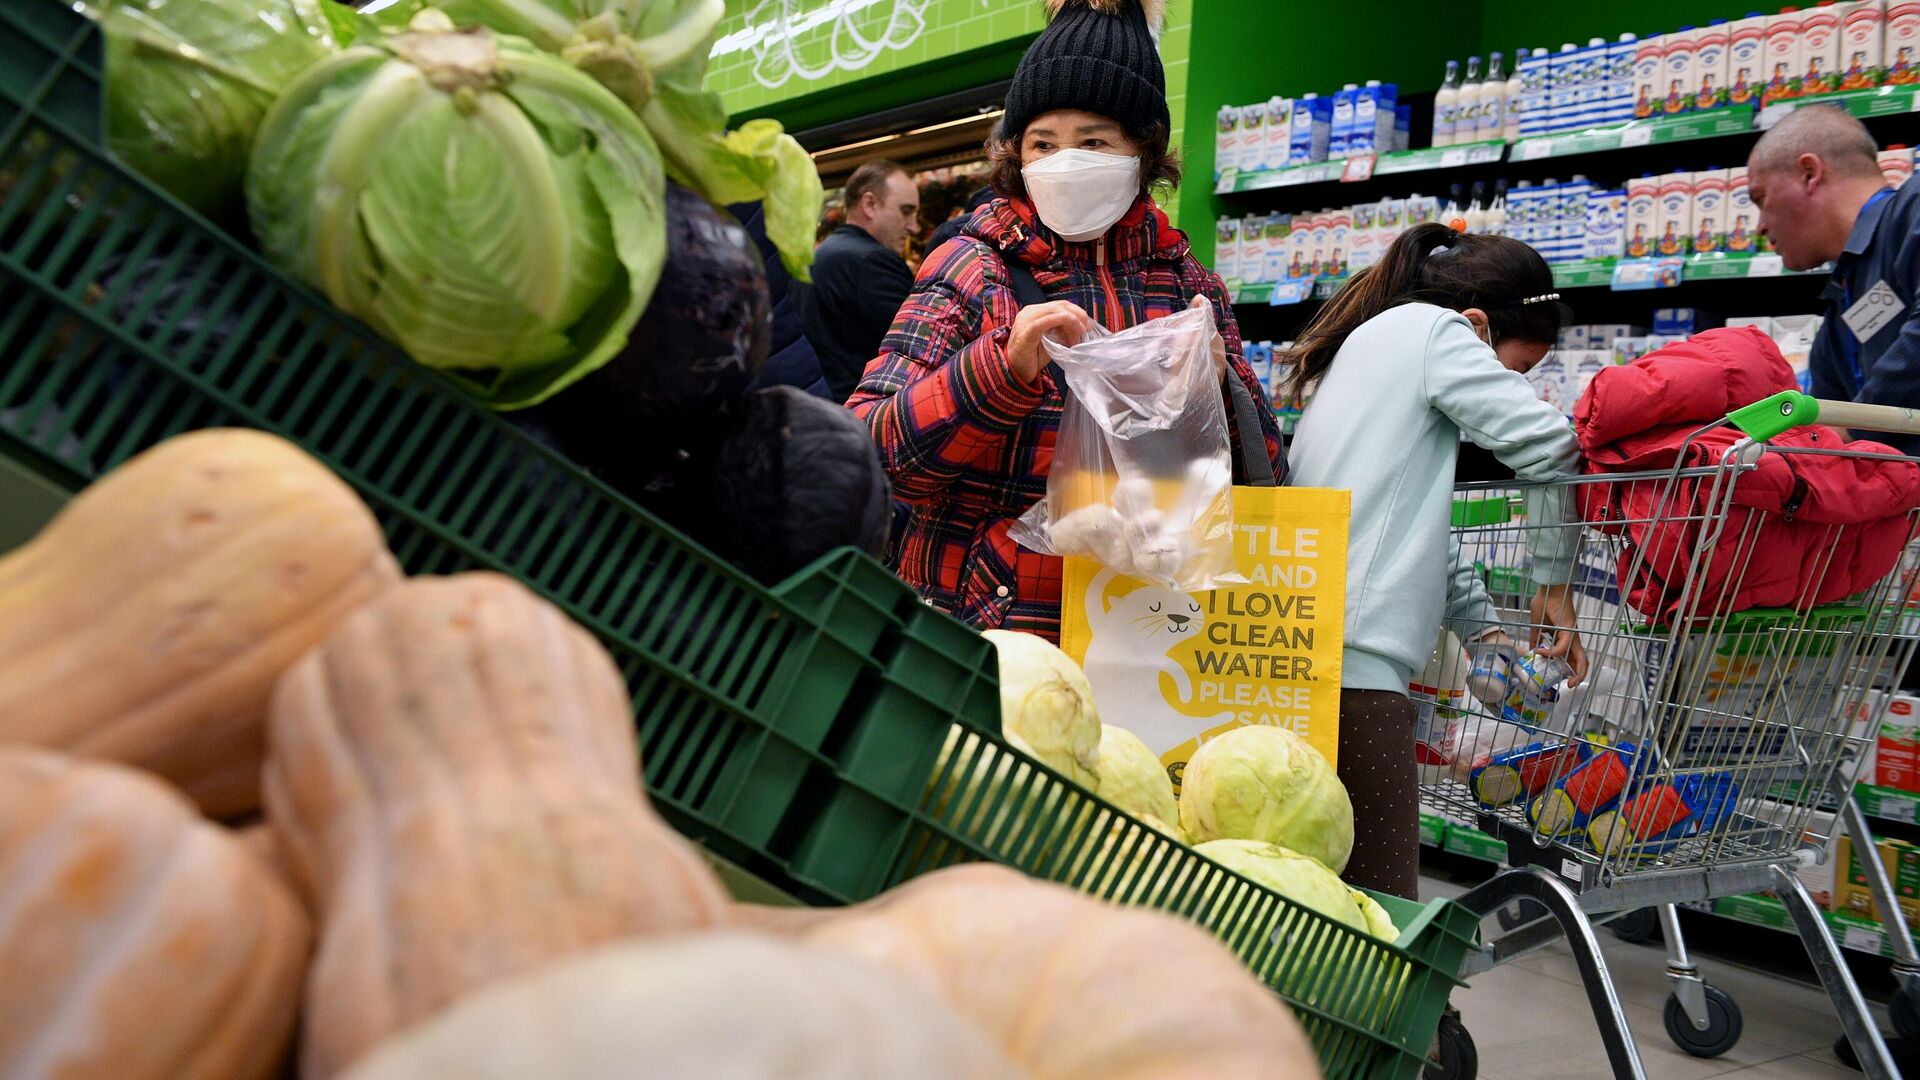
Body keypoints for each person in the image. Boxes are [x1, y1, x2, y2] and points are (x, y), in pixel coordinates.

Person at [848, 0, 1283, 643]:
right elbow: (873, 453)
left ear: (1143, 150)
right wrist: (999, 371)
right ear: (1016, 154)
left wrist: (1213, 395)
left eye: (1094, 141)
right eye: (1043, 143)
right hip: (984, 641)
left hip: (1143, 639)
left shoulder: (1190, 286)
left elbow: (1261, 480)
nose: (1064, 162)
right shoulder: (971, 268)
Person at [1283, 223, 1588, 898]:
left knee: (1322, 899)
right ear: (1476, 323)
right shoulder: (1436, 333)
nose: (1513, 388)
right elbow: (1549, 445)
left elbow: (1400, 510)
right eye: (1516, 372)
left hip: (1308, 654)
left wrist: (1482, 627)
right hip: (1355, 679)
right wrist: (1552, 583)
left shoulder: (1372, 343)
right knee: (1386, 912)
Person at [1748, 105, 1920, 454]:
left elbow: (1835, 433)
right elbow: (1824, 438)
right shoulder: (1841, 306)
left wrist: (1853, 427)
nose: (1760, 226)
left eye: (1760, 199)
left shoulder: (1914, 206)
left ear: (1809, 173)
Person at [794, 161, 920, 402]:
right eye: (906, 211)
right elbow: (923, 345)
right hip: (867, 414)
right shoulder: (873, 262)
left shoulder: (817, 257)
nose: (913, 226)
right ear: (870, 204)